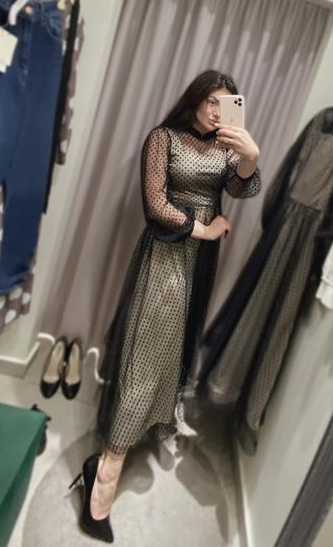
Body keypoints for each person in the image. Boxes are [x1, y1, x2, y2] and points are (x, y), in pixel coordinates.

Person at [69, 70, 261, 542]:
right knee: (147, 354)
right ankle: (107, 467)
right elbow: (154, 204)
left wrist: (250, 158)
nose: (216, 112)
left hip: (200, 268)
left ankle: (131, 436)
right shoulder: (164, 138)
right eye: (211, 101)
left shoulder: (225, 147)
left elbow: (241, 190)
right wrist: (205, 229)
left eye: (226, 104)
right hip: (166, 256)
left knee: (170, 352)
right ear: (194, 99)